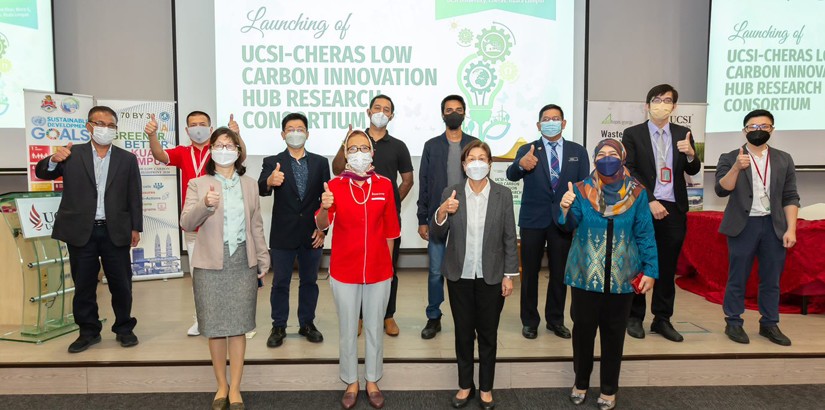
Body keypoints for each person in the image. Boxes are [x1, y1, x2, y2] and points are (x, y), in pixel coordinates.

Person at [559, 139, 658, 410]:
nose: (606, 158)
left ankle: (609, 388)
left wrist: (650, 270)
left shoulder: (637, 193)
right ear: (593, 160)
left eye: (612, 154)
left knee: (614, 334)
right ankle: (580, 382)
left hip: (622, 277)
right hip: (584, 275)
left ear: (622, 158)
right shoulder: (581, 190)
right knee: (583, 333)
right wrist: (565, 207)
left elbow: (645, 233)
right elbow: (568, 226)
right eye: (600, 154)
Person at [35, 106, 143, 353]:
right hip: (80, 230)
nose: (105, 128)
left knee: (121, 284)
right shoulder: (71, 154)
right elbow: (42, 173)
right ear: (89, 126)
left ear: (115, 129)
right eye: (100, 123)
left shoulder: (127, 158)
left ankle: (124, 328)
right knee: (83, 284)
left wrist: (136, 227)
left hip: (115, 230)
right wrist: (53, 159)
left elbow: (134, 195)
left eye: (111, 125)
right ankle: (88, 331)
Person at [180, 127, 269, 410]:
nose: (225, 148)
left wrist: (263, 257)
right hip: (209, 264)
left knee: (239, 326)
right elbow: (186, 222)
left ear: (238, 151)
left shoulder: (251, 184)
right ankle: (221, 385)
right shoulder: (198, 183)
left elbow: (256, 224)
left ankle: (237, 388)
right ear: (211, 150)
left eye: (230, 144)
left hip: (242, 261)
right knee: (216, 328)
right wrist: (205, 206)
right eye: (219, 144)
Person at [430, 141, 518, 410]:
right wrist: (443, 212)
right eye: (471, 158)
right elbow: (437, 234)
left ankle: (487, 387)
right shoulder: (452, 192)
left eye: (482, 158)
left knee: (488, 334)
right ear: (464, 164)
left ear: (490, 164)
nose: (477, 163)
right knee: (463, 333)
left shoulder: (503, 195)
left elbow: (508, 238)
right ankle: (465, 385)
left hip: (491, 276)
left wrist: (509, 275)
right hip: (460, 274)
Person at [316, 130, 400, 409]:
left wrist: (387, 269)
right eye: (354, 148)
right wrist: (324, 209)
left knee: (375, 326)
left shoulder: (385, 185)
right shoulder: (334, 185)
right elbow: (321, 226)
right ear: (345, 152)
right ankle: (351, 380)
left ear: (372, 153)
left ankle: (373, 379)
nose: (360, 153)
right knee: (348, 327)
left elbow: (390, 231)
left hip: (378, 270)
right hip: (344, 269)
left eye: (365, 148)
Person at [145, 110, 245, 336]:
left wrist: (236, 137)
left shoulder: (220, 151)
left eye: (202, 124)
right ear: (187, 130)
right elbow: (160, 155)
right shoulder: (182, 152)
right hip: (195, 224)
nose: (197, 127)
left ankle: (231, 317)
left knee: (228, 273)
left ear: (210, 129)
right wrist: (152, 136)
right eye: (193, 124)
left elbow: (241, 158)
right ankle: (202, 318)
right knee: (199, 275)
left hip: (222, 222)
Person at [622, 84, 700, 342]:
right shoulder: (632, 134)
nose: (662, 104)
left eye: (668, 100)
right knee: (639, 262)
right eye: (657, 99)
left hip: (674, 209)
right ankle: (635, 316)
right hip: (644, 207)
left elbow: (693, 169)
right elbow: (630, 170)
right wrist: (650, 200)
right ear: (647, 105)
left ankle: (662, 319)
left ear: (674, 107)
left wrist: (690, 155)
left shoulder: (683, 133)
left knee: (667, 267)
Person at [714, 109, 799, 346]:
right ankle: (733, 321)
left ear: (772, 130)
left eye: (764, 126)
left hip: (774, 226)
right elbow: (721, 189)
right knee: (737, 277)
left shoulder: (784, 158)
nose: (758, 131)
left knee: (772, 278)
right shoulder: (731, 156)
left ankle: (769, 323)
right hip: (744, 225)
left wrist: (791, 229)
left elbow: (791, 196)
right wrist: (736, 168)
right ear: (745, 130)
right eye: (753, 127)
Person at [331, 94, 414, 336]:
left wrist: (389, 202)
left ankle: (387, 315)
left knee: (388, 267)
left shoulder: (398, 146)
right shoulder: (356, 141)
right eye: (377, 107)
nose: (381, 111)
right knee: (355, 268)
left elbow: (408, 180)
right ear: (368, 111)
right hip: (354, 218)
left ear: (392, 115)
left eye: (386, 109)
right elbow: (337, 170)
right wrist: (344, 142)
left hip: (383, 219)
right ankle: (355, 317)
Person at [506, 104, 590, 340]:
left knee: (559, 273)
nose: (551, 121)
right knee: (530, 273)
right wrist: (520, 164)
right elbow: (512, 175)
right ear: (538, 124)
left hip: (563, 219)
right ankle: (529, 321)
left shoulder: (577, 151)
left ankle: (555, 320)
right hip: (533, 220)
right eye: (546, 118)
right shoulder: (528, 149)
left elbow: (584, 187)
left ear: (564, 123)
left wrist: (577, 217)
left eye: (555, 118)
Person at [258, 112, 330, 347]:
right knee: (280, 282)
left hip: (312, 234)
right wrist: (269, 181)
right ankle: (278, 325)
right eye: (290, 129)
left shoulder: (320, 162)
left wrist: (323, 230)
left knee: (310, 281)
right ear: (282, 134)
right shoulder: (272, 161)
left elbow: (326, 199)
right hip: (283, 233)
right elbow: (261, 187)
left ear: (307, 134)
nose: (295, 133)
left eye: (300, 129)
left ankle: (307, 323)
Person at [417, 94, 478, 340]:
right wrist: (423, 218)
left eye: (458, 109)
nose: (454, 113)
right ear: (443, 114)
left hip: (469, 217)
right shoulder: (432, 145)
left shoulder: (475, 144)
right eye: (449, 109)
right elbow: (423, 183)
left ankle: (469, 320)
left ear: (464, 113)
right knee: (435, 272)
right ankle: (434, 317)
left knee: (468, 271)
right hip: (438, 218)